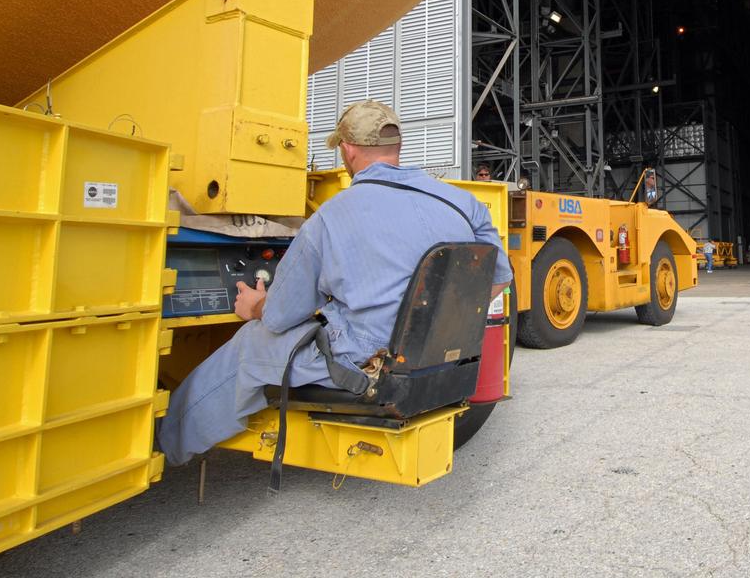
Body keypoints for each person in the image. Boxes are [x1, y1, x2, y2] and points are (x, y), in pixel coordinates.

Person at [159, 100, 513, 466]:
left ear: (347, 150)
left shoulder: (329, 219)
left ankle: (163, 446)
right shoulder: (463, 203)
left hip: (370, 362)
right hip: (444, 363)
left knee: (252, 345)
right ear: (398, 147)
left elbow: (280, 317)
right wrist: (434, 332)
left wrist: (255, 306)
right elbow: (498, 279)